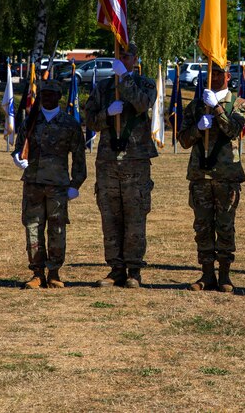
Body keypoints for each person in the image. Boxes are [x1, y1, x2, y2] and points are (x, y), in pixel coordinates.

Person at [83, 43, 158, 289]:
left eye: (126, 56)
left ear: (135, 59)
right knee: (110, 216)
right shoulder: (103, 88)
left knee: (135, 217)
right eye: (119, 55)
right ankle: (115, 269)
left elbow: (141, 104)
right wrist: (106, 113)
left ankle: (134, 271)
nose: (122, 58)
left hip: (135, 161)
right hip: (107, 162)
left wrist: (124, 78)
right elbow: (91, 122)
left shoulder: (145, 83)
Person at [177, 64, 245, 293]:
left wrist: (216, 108)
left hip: (226, 176)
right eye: (211, 73)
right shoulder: (196, 106)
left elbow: (233, 130)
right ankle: (207, 274)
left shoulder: (239, 103)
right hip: (201, 176)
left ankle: (225, 275)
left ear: (228, 76)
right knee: (203, 226)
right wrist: (198, 128)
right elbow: (184, 141)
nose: (214, 77)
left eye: (218, 73)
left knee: (226, 226)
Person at [11, 80, 86, 289]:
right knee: (32, 228)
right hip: (33, 183)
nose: (48, 97)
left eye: (52, 94)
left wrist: (76, 183)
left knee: (57, 229)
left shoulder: (69, 123)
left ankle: (54, 272)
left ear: (59, 96)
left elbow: (79, 157)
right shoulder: (31, 120)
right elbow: (18, 147)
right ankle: (37, 273)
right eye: (44, 94)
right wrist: (17, 158)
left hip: (58, 185)